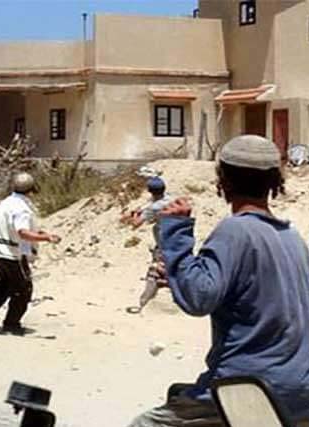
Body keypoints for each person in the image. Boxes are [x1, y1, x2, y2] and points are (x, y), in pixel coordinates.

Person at [128, 135, 309, 427]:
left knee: (146, 424)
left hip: (250, 385)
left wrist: (176, 232)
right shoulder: (292, 238)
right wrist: (179, 275)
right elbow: (254, 293)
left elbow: (198, 299)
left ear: (222, 181)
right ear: (275, 182)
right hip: (300, 388)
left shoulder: (235, 231)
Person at [0, 173, 61, 335]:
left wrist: (39, 233)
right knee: (23, 288)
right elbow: (23, 233)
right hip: (8, 250)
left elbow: (17, 228)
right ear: (32, 190)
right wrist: (47, 238)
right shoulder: (22, 208)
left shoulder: (7, 203)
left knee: (6, 283)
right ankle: (12, 324)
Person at [120, 177, 171, 309]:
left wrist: (134, 216)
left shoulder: (154, 207)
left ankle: (145, 303)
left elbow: (136, 224)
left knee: (154, 273)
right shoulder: (169, 199)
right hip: (176, 242)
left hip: (164, 245)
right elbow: (148, 205)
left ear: (149, 190)